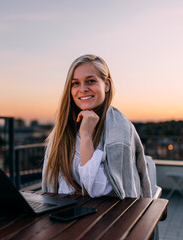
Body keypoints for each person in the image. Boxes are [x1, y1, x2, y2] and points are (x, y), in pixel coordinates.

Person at [42, 54, 152, 199]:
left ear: (106, 85)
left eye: (90, 81)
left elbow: (99, 189)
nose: (83, 89)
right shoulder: (64, 128)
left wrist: (86, 135)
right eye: (75, 83)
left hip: (112, 216)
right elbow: (56, 185)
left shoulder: (120, 128)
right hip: (69, 213)